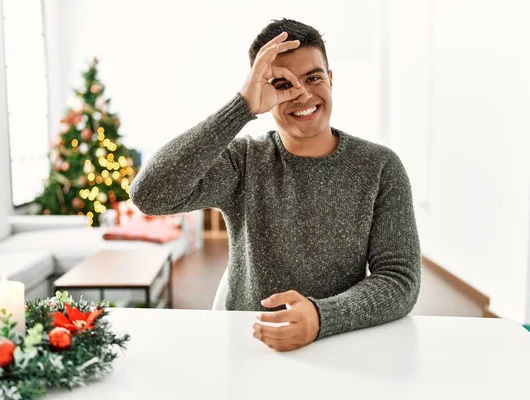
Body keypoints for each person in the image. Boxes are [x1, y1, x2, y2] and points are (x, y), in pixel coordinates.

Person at [130, 18, 421, 352]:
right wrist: (240, 107)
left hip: (343, 340)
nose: (303, 94)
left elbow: (400, 279)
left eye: (314, 78)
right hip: (251, 344)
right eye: (284, 84)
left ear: (331, 79)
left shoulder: (380, 166)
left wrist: (321, 316)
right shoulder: (244, 160)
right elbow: (149, 194)